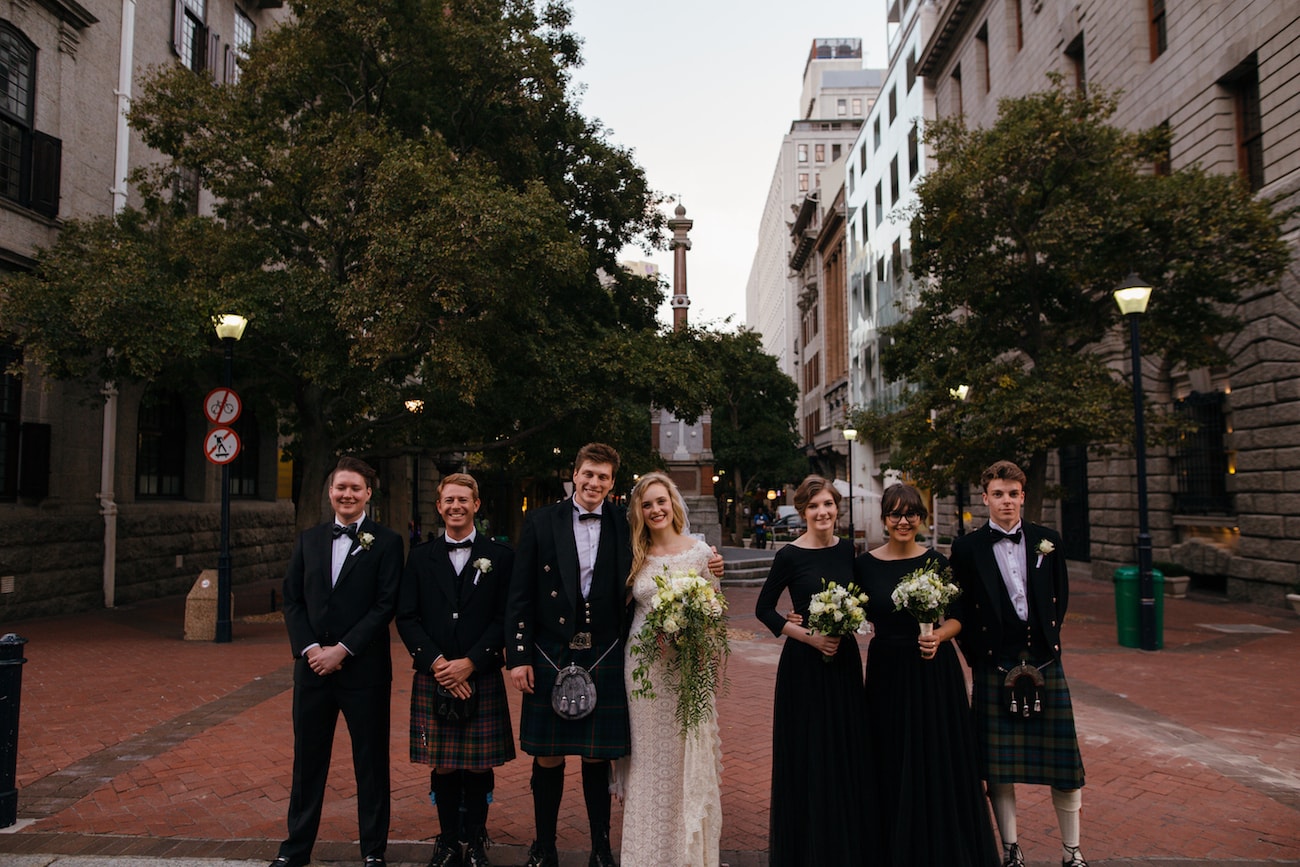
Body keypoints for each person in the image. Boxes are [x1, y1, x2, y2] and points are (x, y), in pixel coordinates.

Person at [503, 443, 723, 867]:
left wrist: (711, 566)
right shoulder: (541, 521)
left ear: (612, 482)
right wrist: (518, 656)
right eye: (588, 474)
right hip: (550, 651)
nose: (594, 483)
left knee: (596, 754)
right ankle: (544, 847)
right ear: (575, 472)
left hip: (604, 652)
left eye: (603, 477)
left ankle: (601, 849)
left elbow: (669, 552)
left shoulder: (626, 525)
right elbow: (519, 595)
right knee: (547, 755)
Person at [950, 460, 1088, 867]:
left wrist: (1048, 642)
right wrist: (978, 660)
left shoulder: (1049, 540)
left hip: (1043, 663)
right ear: (985, 498)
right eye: (998, 494)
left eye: (1013, 494)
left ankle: (1072, 851)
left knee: (1065, 767)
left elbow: (1058, 598)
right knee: (999, 766)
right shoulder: (966, 548)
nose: (1006, 501)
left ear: (1023, 497)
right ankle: (1011, 849)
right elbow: (959, 609)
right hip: (994, 664)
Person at [856, 484, 1000, 867]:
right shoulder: (865, 564)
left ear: (921, 518)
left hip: (933, 668)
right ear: (885, 519)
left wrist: (938, 635)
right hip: (887, 670)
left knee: (936, 755)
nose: (903, 522)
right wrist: (798, 617)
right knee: (892, 753)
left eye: (911, 514)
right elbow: (850, 606)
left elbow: (959, 617)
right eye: (895, 515)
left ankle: (939, 841)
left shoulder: (937, 561)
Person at [271, 456, 402, 867]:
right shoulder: (308, 539)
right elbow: (292, 598)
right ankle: (296, 851)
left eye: (355, 488)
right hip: (312, 671)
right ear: (330, 492)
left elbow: (385, 606)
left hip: (364, 671)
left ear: (367, 494)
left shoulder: (387, 542)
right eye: (340, 487)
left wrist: (342, 650)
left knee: (370, 762)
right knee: (308, 762)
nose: (347, 494)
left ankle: (373, 852)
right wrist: (311, 649)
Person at [396, 473, 516, 867]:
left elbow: (504, 617)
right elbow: (407, 617)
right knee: (444, 762)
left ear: (476, 505)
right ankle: (448, 843)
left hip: (478, 672)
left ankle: (477, 843)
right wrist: (437, 664)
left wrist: (471, 662)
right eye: (448, 500)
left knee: (479, 763)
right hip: (435, 673)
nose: (456, 506)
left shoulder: (499, 557)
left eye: (463, 500)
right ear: (439, 505)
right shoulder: (419, 556)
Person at [754, 476, 872, 866]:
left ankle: (843, 840)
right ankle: (807, 845)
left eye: (828, 505)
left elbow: (862, 602)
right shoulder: (789, 555)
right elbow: (764, 610)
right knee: (809, 750)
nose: (822, 512)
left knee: (844, 747)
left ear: (836, 508)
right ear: (803, 511)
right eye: (814, 506)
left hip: (844, 662)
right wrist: (807, 635)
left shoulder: (848, 551)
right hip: (804, 663)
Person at [619, 472, 723, 867]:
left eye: (661, 501)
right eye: (647, 505)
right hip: (643, 669)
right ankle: (645, 854)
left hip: (687, 667)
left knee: (685, 757)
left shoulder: (700, 553)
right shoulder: (635, 554)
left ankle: (685, 853)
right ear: (639, 512)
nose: (656, 509)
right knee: (647, 759)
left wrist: (692, 639)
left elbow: (714, 610)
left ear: (674, 504)